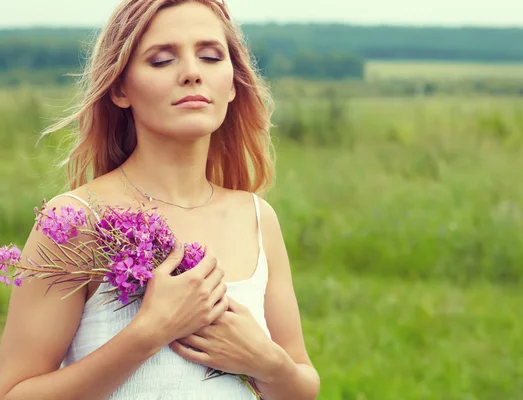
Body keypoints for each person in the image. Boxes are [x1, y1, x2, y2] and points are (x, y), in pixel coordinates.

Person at [0, 0, 320, 399]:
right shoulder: (77, 221)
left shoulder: (256, 217)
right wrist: (148, 333)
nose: (192, 74)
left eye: (209, 56)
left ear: (233, 82)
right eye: (161, 61)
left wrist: (265, 363)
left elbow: (302, 386)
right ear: (120, 88)